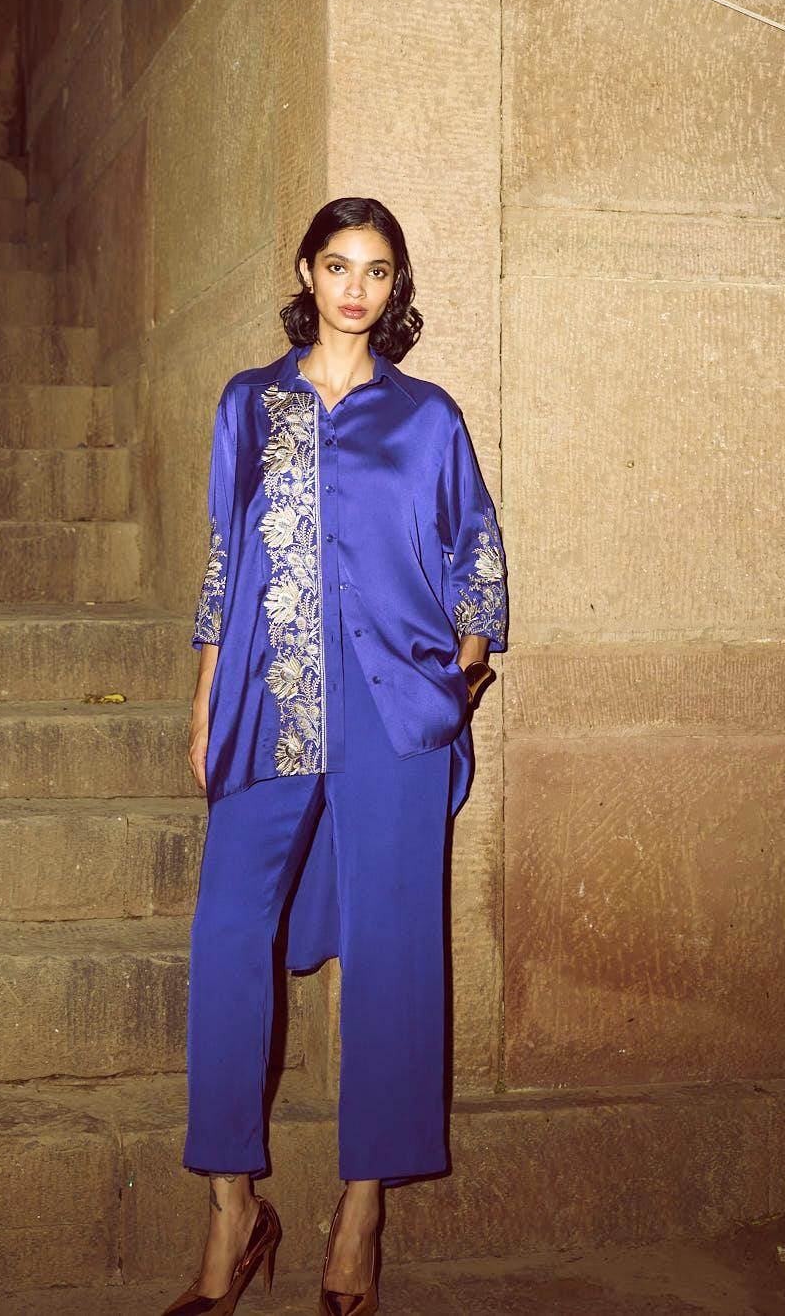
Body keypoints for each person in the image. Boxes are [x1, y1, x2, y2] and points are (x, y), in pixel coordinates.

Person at [162, 197, 508, 1316]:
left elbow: (476, 549)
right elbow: (223, 559)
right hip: (268, 700)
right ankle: (231, 1207)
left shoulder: (426, 416)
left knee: (396, 949)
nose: (355, 288)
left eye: (377, 270)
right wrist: (205, 700)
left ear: (394, 287)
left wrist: (458, 675)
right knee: (226, 933)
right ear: (306, 273)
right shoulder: (248, 403)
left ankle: (360, 1214)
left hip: (395, 712)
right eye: (337, 265)